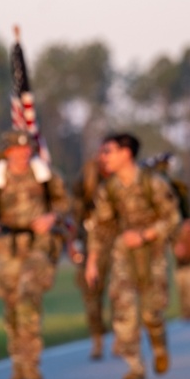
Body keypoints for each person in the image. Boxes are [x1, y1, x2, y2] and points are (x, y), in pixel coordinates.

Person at [0, 130, 70, 379]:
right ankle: (17, 362)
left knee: (28, 297)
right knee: (12, 303)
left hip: (39, 245)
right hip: (8, 247)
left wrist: (52, 217)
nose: (23, 154)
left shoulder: (46, 175)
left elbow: (65, 202)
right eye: (17, 149)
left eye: (26, 149)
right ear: (7, 152)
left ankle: (31, 362)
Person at [85, 133, 180, 379]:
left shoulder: (153, 183)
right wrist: (92, 261)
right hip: (123, 253)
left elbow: (172, 218)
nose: (103, 157)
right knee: (123, 308)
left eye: (108, 151)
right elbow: (100, 227)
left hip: (153, 252)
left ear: (126, 153)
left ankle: (159, 345)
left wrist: (146, 235)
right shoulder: (108, 189)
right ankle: (135, 365)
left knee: (151, 312)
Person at [70, 146, 113, 360]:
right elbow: (75, 212)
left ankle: (122, 337)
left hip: (116, 242)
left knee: (119, 292)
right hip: (89, 241)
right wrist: (73, 242)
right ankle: (97, 339)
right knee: (91, 295)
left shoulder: (121, 177)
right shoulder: (85, 177)